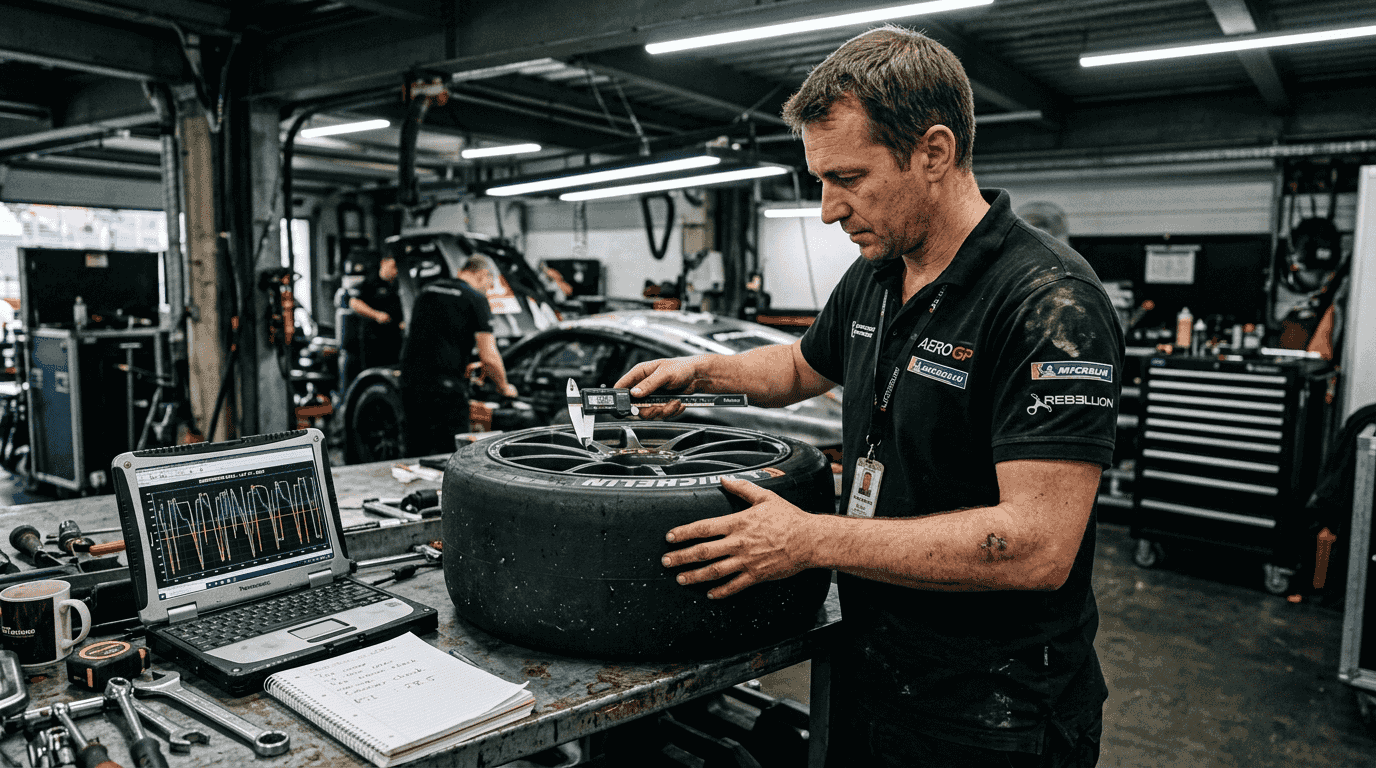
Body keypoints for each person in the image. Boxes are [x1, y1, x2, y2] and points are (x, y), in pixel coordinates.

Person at [614, 25, 1122, 767]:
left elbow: (1037, 546)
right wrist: (697, 375)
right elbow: (797, 367)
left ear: (934, 153)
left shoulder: (1047, 303)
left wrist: (810, 539)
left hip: (992, 710)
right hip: (872, 663)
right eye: (820, 180)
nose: (827, 209)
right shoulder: (880, 271)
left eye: (847, 179)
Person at [398, 255, 518, 455]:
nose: (488, 290)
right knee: (449, 455)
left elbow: (426, 337)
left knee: (416, 449)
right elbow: (489, 355)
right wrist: (504, 387)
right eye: (489, 285)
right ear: (482, 274)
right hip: (445, 390)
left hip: (410, 383)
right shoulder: (475, 298)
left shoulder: (427, 291)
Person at [347, 254, 404, 370]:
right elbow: (354, 303)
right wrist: (376, 315)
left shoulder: (399, 286)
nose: (396, 271)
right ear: (383, 262)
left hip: (394, 340)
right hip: (374, 340)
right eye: (393, 266)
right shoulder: (371, 281)